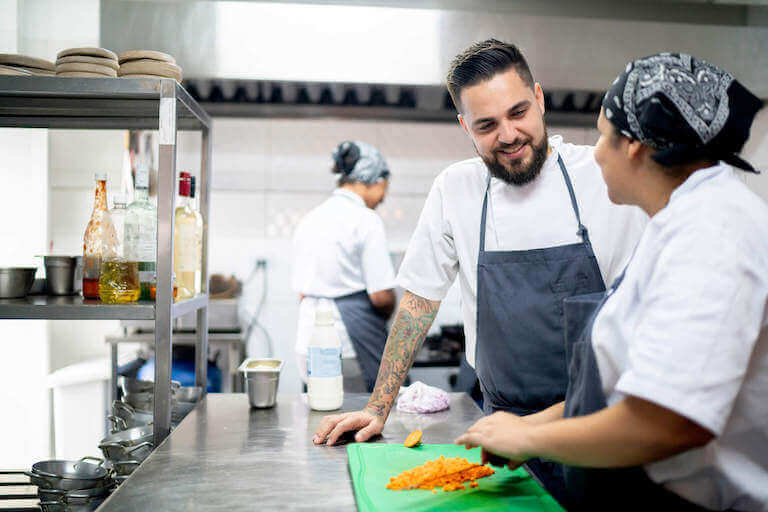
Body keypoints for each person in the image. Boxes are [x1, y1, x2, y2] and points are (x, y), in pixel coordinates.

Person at [313, 39, 646, 501]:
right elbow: (417, 303)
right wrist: (378, 407)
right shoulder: (456, 189)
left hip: (596, 426)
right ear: (464, 126)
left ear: (541, 99)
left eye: (519, 112)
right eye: (486, 125)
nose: (508, 135)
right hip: (501, 435)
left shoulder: (602, 176)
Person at [455, 53, 767, 510]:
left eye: (603, 136)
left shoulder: (712, 234)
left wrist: (531, 440)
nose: (597, 152)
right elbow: (629, 386)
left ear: (636, 145)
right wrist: (530, 425)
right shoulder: (677, 224)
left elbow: (669, 423)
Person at [292, 141, 396, 393]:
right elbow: (380, 295)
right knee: (358, 416)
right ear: (374, 180)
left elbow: (303, 293)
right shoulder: (366, 221)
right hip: (349, 345)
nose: (382, 197)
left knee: (320, 412)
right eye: (384, 187)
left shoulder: (309, 219)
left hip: (307, 340)